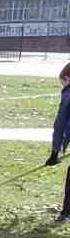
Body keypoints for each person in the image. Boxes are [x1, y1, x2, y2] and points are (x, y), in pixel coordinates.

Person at [45, 62, 70, 224]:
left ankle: (67, 211)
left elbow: (60, 123)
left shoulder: (68, 94)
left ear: (67, 78)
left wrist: (54, 152)